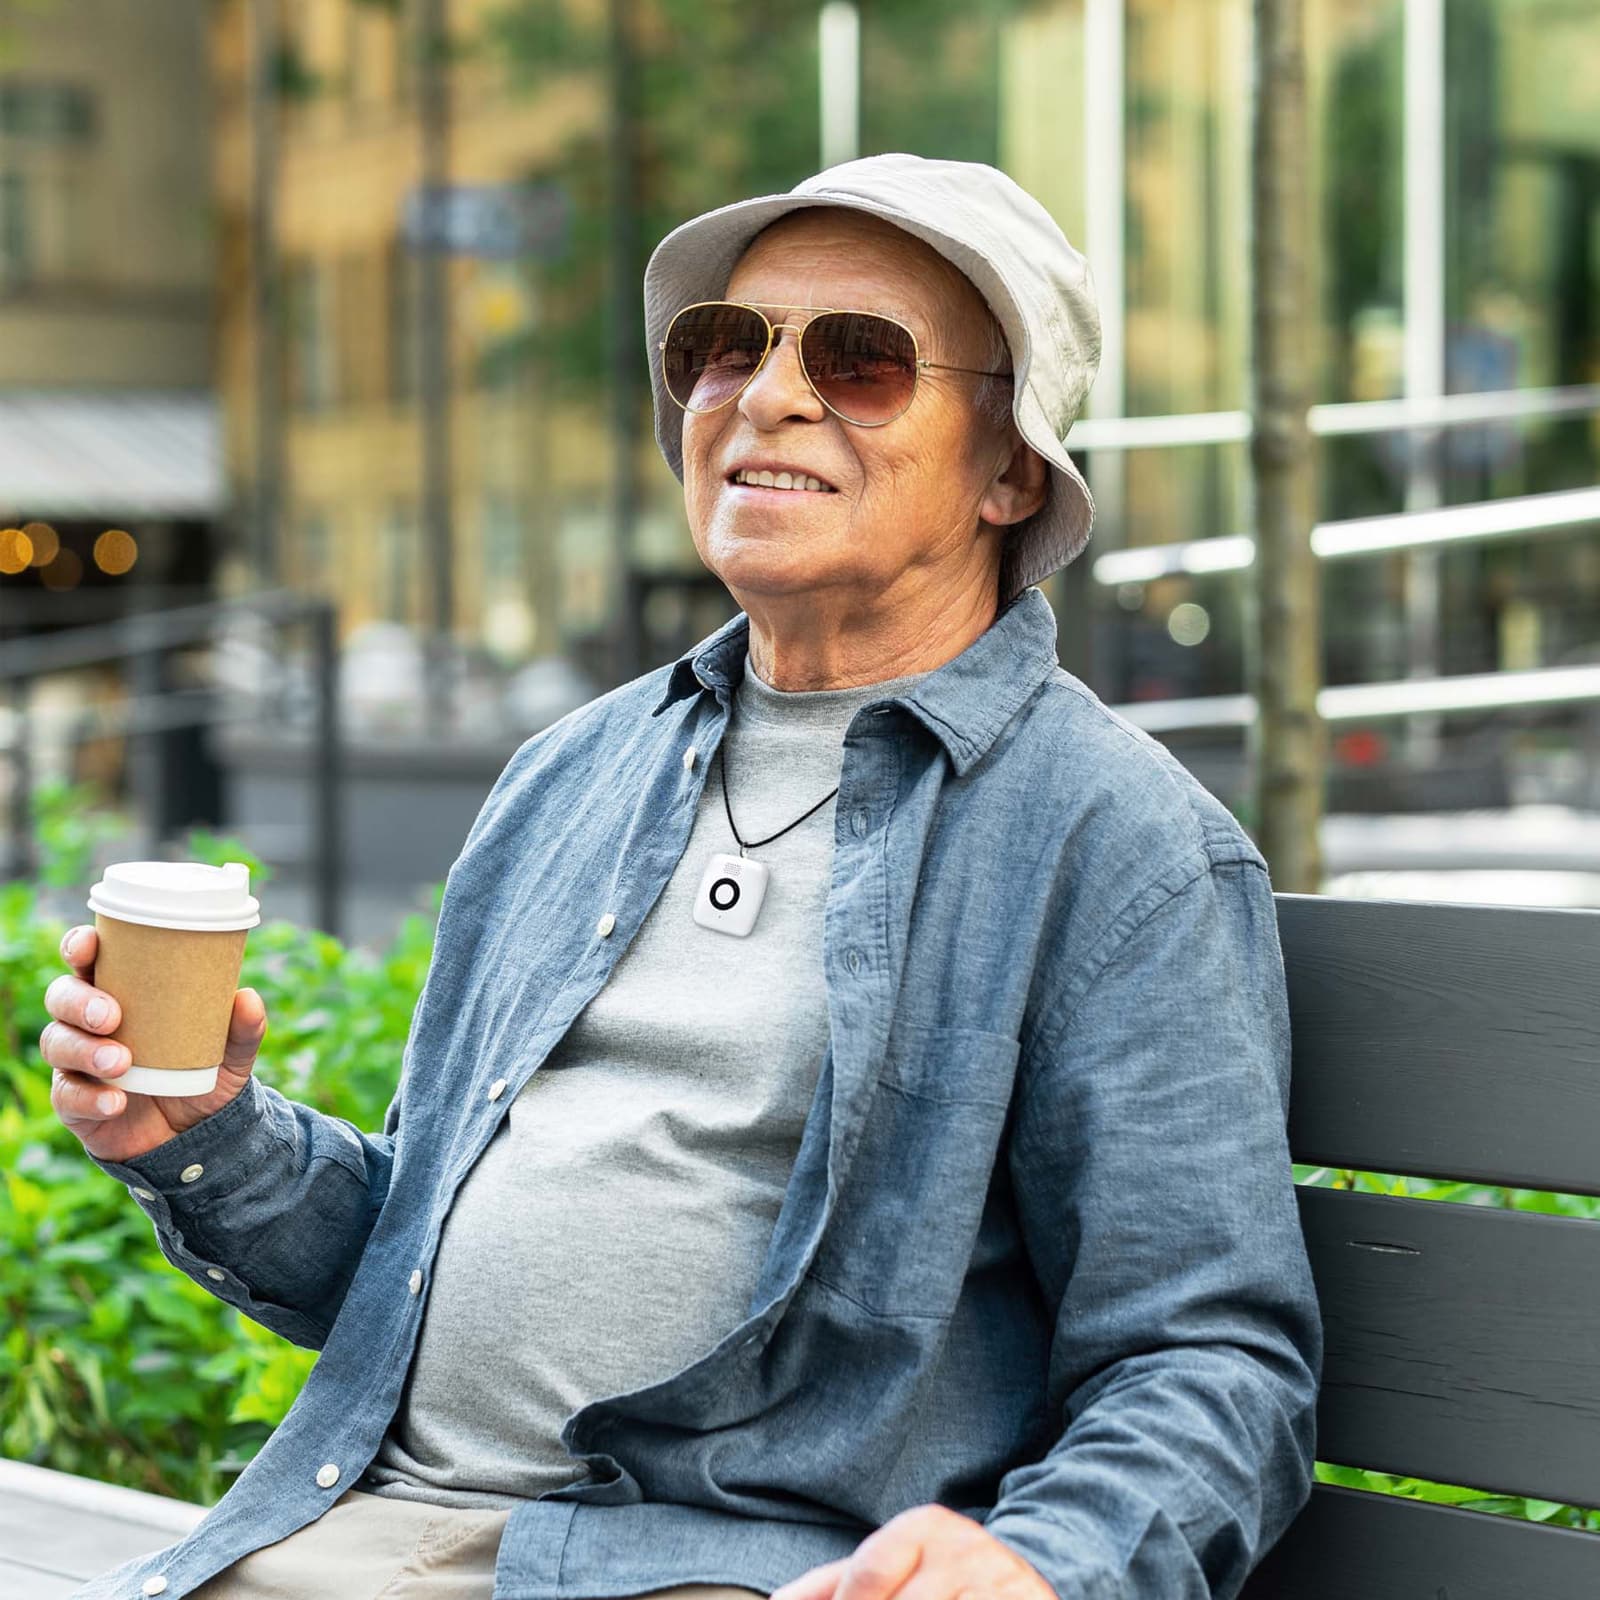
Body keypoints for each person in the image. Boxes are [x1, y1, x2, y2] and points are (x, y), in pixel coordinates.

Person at [44, 154, 1322, 1600]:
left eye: (860, 359)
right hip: (358, 1531)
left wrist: (1041, 1566)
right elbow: (407, 1265)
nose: (764, 395)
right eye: (724, 346)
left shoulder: (1114, 841)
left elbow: (1209, 1359)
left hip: (725, 1571)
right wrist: (205, 1133)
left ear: (1013, 465)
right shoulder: (571, 776)